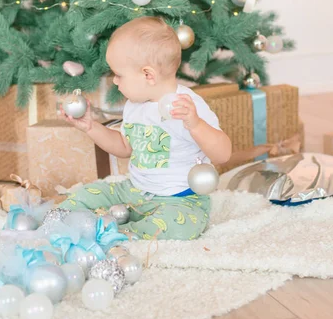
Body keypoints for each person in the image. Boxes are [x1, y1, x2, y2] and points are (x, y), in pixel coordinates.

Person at [59, 17, 231, 240]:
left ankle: (124, 234)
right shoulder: (135, 105)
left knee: (178, 225)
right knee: (87, 194)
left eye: (119, 75)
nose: (115, 82)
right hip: (135, 190)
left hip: (180, 199)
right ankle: (58, 219)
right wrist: (91, 127)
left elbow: (223, 154)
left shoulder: (189, 106)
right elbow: (124, 147)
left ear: (148, 75)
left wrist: (196, 124)